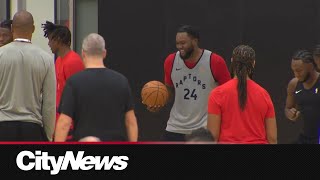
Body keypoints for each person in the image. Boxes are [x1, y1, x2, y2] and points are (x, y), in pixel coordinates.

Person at [54, 33, 138, 142]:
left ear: (83, 53)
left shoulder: (74, 83)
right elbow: (130, 122)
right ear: (104, 53)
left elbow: (64, 123)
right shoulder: (121, 81)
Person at [155, 25, 231, 141]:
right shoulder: (171, 61)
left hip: (203, 128)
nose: (180, 47)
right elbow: (169, 91)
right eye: (177, 43)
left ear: (195, 41)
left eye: (183, 43)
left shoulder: (214, 61)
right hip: (175, 127)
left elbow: (229, 92)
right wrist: (158, 101)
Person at [0, 10, 56, 141]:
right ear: (33, 29)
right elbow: (49, 104)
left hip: (3, 126)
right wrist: (47, 136)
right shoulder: (46, 59)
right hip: (32, 128)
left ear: (12, 28)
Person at [207, 45, 277, 144]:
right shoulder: (264, 94)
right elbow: (272, 138)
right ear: (253, 63)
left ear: (232, 61)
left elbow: (213, 136)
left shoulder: (217, 94)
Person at [42, 21, 85, 140]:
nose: (49, 43)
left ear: (59, 40)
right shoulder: (59, 61)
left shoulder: (73, 62)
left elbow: (79, 95)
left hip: (69, 125)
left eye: (51, 40)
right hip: (59, 121)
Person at [285, 50, 320, 144]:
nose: (296, 74)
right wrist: (290, 114)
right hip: (304, 138)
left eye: (299, 71)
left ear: (310, 66)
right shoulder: (294, 84)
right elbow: (288, 108)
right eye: (293, 71)